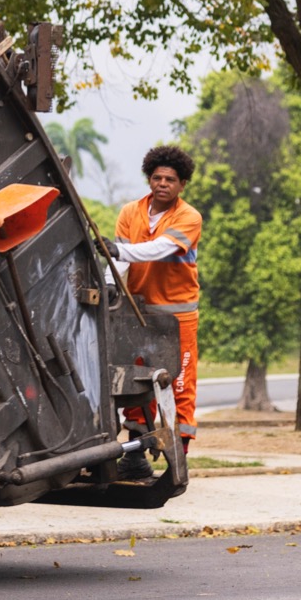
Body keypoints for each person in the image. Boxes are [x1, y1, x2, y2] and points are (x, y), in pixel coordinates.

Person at [109, 143, 202, 441]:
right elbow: (119, 261)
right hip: (139, 314)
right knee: (136, 382)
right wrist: (110, 285)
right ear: (149, 179)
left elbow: (160, 248)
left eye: (170, 180)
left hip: (178, 318)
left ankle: (180, 452)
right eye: (157, 178)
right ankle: (136, 453)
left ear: (182, 184)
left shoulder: (189, 217)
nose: (163, 184)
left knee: (179, 384)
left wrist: (119, 251)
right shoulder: (129, 212)